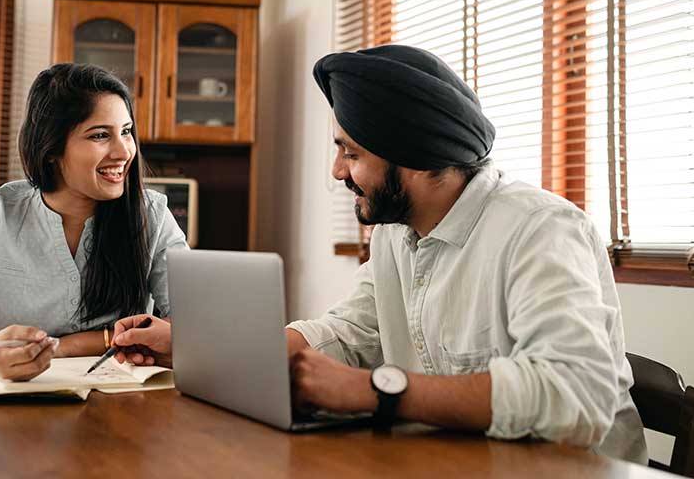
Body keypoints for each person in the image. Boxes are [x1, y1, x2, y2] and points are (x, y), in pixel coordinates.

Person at [111, 45, 647, 463]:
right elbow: (352, 332)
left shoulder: (540, 229)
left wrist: (376, 392)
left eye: (351, 152)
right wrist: (205, 346)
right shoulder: (396, 230)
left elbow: (576, 398)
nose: (337, 171)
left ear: (411, 154)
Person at [0, 63, 188, 381]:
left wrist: (70, 347)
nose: (124, 151)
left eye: (126, 131)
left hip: (127, 411)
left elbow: (197, 327)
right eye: (100, 135)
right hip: (10, 415)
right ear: (51, 148)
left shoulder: (152, 215)